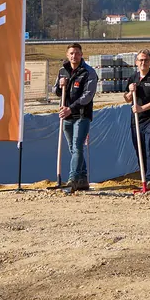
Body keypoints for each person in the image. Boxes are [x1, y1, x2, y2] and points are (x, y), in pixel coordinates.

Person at [53, 43, 98, 194]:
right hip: (66, 116)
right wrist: (60, 86)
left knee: (77, 147)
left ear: (81, 55)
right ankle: (83, 179)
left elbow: (87, 96)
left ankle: (72, 179)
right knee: (73, 149)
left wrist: (70, 108)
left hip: (82, 116)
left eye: (77, 53)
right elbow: (57, 92)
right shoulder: (62, 71)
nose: (74, 56)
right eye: (72, 53)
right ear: (67, 55)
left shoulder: (88, 72)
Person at [124, 49, 150, 195]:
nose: (143, 62)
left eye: (146, 60)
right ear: (136, 62)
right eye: (141, 60)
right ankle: (143, 178)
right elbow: (127, 99)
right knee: (139, 150)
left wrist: (142, 108)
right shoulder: (132, 78)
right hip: (136, 121)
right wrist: (130, 92)